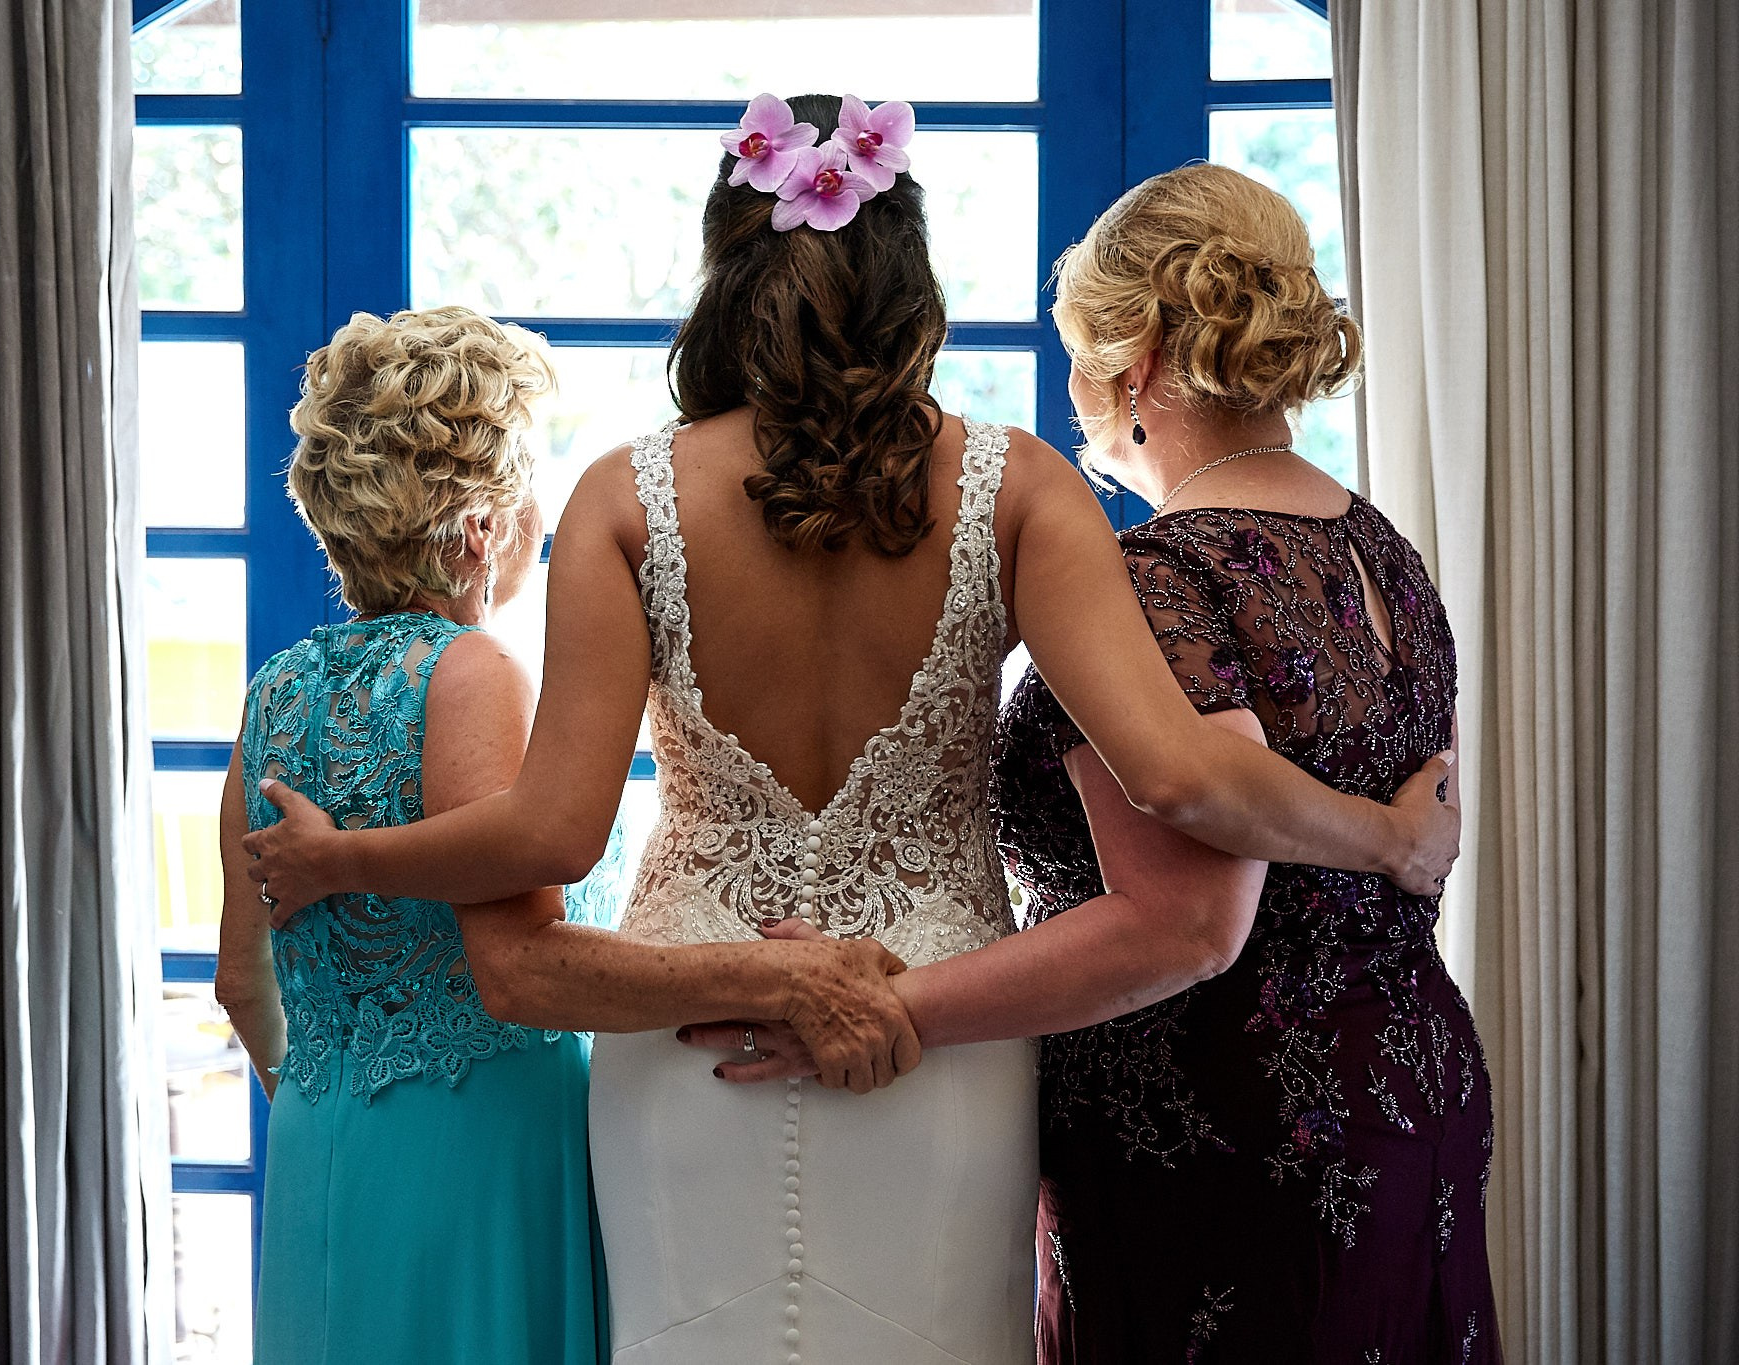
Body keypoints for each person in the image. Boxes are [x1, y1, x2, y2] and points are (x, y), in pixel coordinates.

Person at [242, 98, 1459, 1365]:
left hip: (688, 1041)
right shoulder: (1020, 486)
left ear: (724, 273)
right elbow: (1172, 773)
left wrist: (350, 860)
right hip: (934, 1033)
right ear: (907, 281)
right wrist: (1380, 833)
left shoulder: (623, 495)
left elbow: (550, 836)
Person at [689, 163, 1500, 1363]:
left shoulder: (1160, 577)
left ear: (1138, 366)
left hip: (1224, 1128)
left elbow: (1181, 926)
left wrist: (880, 1006)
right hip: (1413, 1077)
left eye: (1076, 349)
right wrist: (1385, 840)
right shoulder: (1380, 550)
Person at [211, 305, 914, 1365]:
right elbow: (522, 947)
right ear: (479, 527)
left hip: (320, 1146)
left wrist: (340, 1094)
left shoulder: (272, 694)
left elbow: (239, 980)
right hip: (480, 1153)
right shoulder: (470, 673)